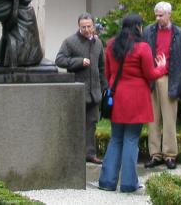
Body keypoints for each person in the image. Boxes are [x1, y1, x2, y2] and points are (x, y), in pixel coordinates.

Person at [97, 14, 167, 193]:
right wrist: (163, 66)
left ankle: (107, 181)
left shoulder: (112, 44)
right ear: (138, 27)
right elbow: (150, 74)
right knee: (131, 139)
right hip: (136, 98)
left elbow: (108, 71)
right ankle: (128, 183)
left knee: (116, 139)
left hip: (116, 96)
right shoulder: (142, 47)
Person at [143, 1, 181, 170]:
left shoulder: (179, 33)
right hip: (151, 77)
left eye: (161, 15)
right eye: (156, 15)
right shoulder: (148, 31)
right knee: (152, 118)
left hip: (169, 78)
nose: (157, 18)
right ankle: (155, 154)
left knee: (169, 119)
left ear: (169, 14)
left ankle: (170, 154)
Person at [55, 12, 107, 165]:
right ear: (78, 26)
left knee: (91, 123)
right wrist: (78, 62)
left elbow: (102, 67)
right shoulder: (70, 42)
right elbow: (60, 60)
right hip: (78, 91)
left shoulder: (98, 43)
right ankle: (73, 154)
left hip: (95, 92)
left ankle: (90, 154)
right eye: (83, 26)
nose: (86, 29)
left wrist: (105, 86)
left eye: (89, 26)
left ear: (93, 25)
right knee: (75, 123)